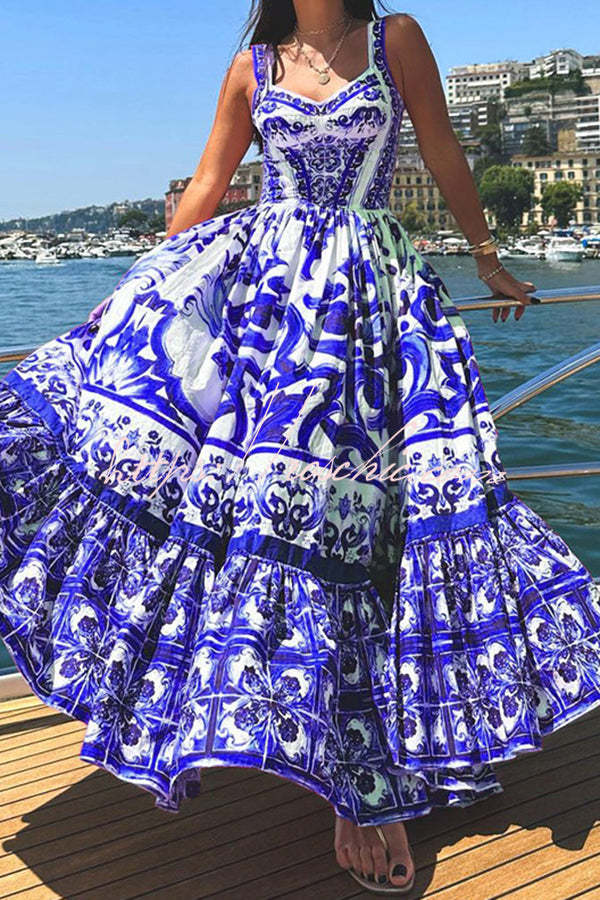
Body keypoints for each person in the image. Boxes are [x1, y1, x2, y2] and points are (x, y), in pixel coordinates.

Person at [1, 1, 599, 895]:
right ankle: (338, 771)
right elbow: (209, 186)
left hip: (371, 306)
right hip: (270, 313)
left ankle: (369, 780)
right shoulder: (252, 67)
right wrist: (142, 291)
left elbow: (444, 152)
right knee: (284, 526)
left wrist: (486, 258)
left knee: (366, 531)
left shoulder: (395, 40)